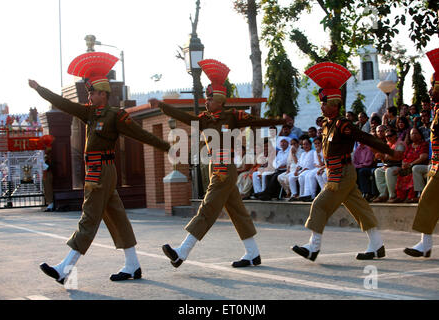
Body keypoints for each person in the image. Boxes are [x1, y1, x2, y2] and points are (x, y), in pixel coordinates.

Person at [29, 52, 171, 284]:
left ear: (103, 94)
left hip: (102, 171)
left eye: (92, 92)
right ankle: (133, 265)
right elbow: (63, 103)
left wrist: (166, 146)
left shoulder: (115, 115)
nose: (89, 96)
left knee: (89, 217)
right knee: (116, 216)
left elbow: (140, 133)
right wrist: (39, 89)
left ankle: (65, 268)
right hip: (94, 171)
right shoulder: (89, 114)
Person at [151, 59, 285, 268]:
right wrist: (162, 106)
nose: (206, 101)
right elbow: (182, 117)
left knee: (207, 208)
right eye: (206, 97)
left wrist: (280, 121)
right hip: (215, 167)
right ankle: (252, 253)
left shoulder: (232, 117)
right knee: (236, 211)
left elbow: (256, 121)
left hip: (225, 168)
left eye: (210, 98)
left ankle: (182, 252)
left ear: (220, 100)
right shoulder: (204, 119)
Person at [291, 62, 401, 261]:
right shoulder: (327, 125)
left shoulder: (342, 124)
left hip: (341, 173)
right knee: (359, 208)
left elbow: (364, 137)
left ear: (334, 104)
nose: (321, 106)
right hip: (338, 172)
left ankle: (313, 247)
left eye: (324, 103)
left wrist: (388, 151)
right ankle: (377, 245)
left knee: (319, 205)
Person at [404, 48, 439, 258]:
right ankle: (425, 243)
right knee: (429, 200)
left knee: (428, 199)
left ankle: (425, 243)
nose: (429, 91)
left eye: (433, 87)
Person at [392, 127, 429, 203]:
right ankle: (400, 197)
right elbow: (404, 158)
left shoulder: (424, 144)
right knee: (400, 173)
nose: (414, 135)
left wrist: (411, 164)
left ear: (420, 135)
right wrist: (403, 165)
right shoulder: (409, 147)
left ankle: (412, 196)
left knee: (412, 171)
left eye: (416, 133)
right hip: (407, 167)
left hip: (418, 165)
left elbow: (423, 157)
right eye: (412, 134)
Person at [372, 128, 406, 203]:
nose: (388, 138)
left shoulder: (400, 144)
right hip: (388, 165)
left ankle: (392, 195)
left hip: (399, 165)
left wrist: (384, 156)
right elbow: (384, 160)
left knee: (389, 171)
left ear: (395, 136)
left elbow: (398, 157)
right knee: (378, 171)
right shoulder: (387, 144)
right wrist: (380, 157)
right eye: (386, 136)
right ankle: (383, 194)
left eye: (390, 136)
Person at [288, 137, 316, 202]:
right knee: (291, 176)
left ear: (310, 145)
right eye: (303, 144)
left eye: (307, 144)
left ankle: (302, 194)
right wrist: (296, 171)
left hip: (309, 170)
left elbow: (308, 165)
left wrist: (300, 172)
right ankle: (294, 194)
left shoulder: (312, 152)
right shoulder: (303, 153)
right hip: (302, 170)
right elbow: (299, 164)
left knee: (301, 176)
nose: (305, 146)